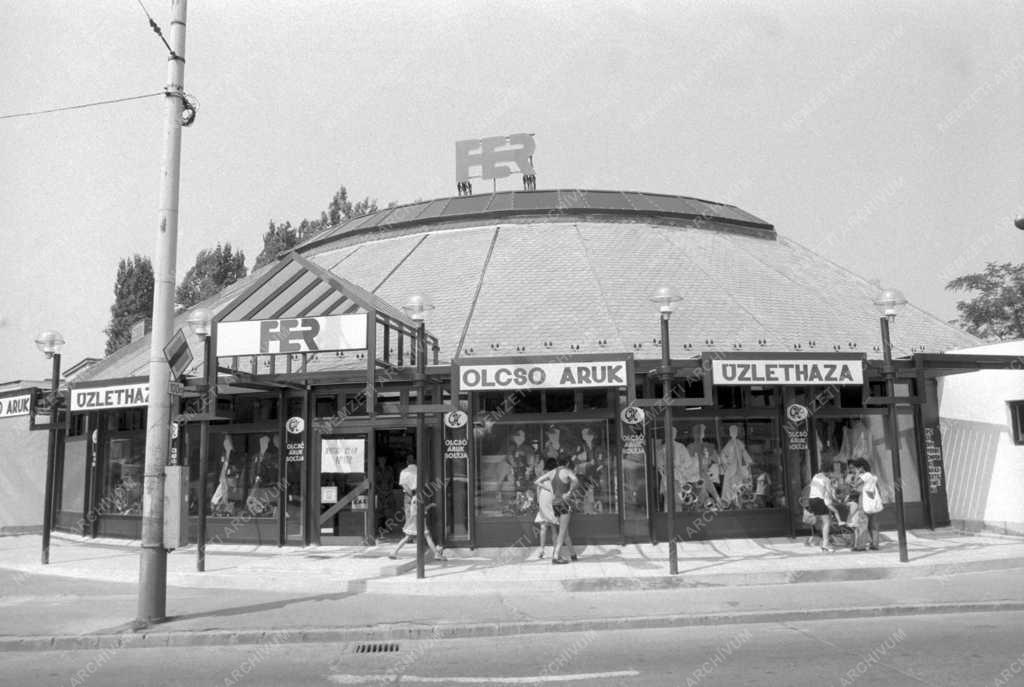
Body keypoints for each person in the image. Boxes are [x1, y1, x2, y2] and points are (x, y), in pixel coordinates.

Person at [389, 458, 445, 560]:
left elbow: (404, 486)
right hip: (418, 521)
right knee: (426, 536)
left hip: (414, 518)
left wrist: (429, 506)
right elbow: (418, 511)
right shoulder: (418, 496)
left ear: (407, 462)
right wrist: (426, 509)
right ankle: (437, 554)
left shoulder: (404, 472)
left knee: (408, 537)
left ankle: (394, 552)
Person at [549, 455, 579, 565]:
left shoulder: (552, 472)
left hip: (554, 503)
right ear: (566, 463)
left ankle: (573, 554)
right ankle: (556, 556)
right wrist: (570, 492)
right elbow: (576, 480)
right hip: (564, 503)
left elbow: (538, 481)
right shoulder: (567, 471)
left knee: (564, 531)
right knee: (562, 532)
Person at [807, 469, 843, 552]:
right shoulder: (826, 480)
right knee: (826, 522)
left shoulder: (815, 476)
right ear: (828, 471)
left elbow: (811, 487)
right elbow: (829, 492)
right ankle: (825, 545)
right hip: (819, 500)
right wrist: (836, 499)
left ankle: (822, 542)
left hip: (811, 500)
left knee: (822, 521)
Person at [854, 458, 883, 550]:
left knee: (862, 524)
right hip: (873, 502)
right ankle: (875, 544)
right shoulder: (874, 477)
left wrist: (857, 474)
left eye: (857, 468)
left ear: (861, 467)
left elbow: (855, 484)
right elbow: (878, 489)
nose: (856, 469)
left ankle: (861, 546)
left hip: (864, 502)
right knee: (873, 525)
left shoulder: (865, 475)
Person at [533, 458, 559, 559]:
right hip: (551, 498)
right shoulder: (555, 474)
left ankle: (541, 550)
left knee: (543, 527)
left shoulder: (543, 473)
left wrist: (539, 500)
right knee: (553, 527)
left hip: (543, 498)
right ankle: (555, 550)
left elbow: (538, 487)